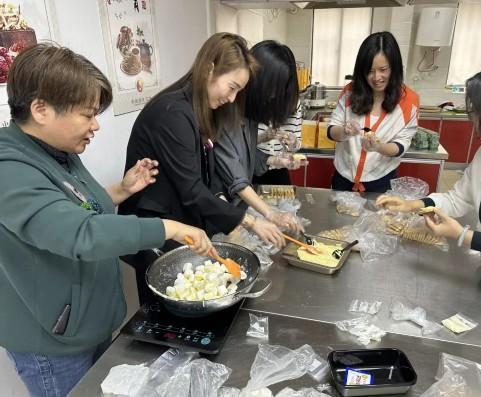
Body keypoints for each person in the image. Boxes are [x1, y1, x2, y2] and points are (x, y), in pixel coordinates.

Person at [0, 43, 213, 397]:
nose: (96, 125)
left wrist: (122, 189)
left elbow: (76, 207)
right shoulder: (10, 168)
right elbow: (80, 233)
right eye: (87, 114)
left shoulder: (56, 150)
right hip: (53, 340)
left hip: (88, 319)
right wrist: (170, 228)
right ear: (41, 109)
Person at [118, 33, 286, 304]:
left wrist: (226, 207)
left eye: (238, 92)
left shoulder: (195, 109)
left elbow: (207, 173)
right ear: (210, 68)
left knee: (194, 291)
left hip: (177, 220)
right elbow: (192, 190)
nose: (232, 99)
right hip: (154, 225)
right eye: (231, 87)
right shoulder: (172, 112)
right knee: (167, 302)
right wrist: (250, 221)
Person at [376, 58, 481, 288]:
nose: (472, 117)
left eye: (478, 109)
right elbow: (457, 200)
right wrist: (411, 205)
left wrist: (462, 235)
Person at [213, 40, 305, 230]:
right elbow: (235, 174)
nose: (273, 97)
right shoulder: (227, 107)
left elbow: (248, 157)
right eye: (273, 89)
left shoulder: (250, 111)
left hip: (238, 201)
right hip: (223, 204)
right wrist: (269, 214)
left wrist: (275, 161)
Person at [327, 31, 419, 193]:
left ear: (394, 67)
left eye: (383, 69)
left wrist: (379, 147)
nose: (377, 77)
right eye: (370, 71)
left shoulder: (409, 101)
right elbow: (331, 131)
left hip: (380, 181)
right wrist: (345, 131)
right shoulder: (350, 92)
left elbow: (401, 145)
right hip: (343, 178)